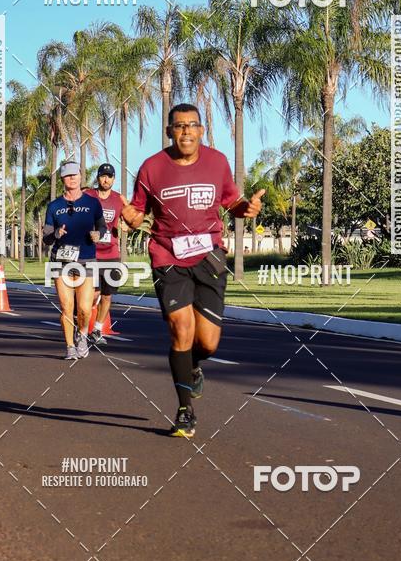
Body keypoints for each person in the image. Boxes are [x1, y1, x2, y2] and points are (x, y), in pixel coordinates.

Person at [122, 103, 264, 438]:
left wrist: (249, 208)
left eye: (192, 125)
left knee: (209, 343)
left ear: (202, 130)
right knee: (180, 329)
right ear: (169, 131)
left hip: (209, 258)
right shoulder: (152, 168)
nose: (186, 131)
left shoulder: (217, 162)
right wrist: (131, 217)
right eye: (179, 126)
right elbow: (138, 211)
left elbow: (232, 204)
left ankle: (194, 365)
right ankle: (185, 410)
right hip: (167, 256)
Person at [43, 161, 107, 360]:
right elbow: (46, 237)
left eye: (75, 175)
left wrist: (98, 234)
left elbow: (102, 227)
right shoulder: (54, 206)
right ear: (63, 179)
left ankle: (82, 335)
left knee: (85, 309)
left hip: (86, 260)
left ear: (80, 177)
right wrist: (57, 234)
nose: (72, 178)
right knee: (66, 307)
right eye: (68, 176)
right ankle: (70, 347)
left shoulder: (92, 203)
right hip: (61, 262)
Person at [85, 163, 126, 346]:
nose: (106, 179)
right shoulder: (89, 196)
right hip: (91, 253)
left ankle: (97, 330)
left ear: (113, 179)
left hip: (111, 254)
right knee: (93, 295)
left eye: (109, 176)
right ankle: (82, 325)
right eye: (103, 176)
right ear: (98, 178)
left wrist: (128, 226)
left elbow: (131, 218)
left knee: (107, 295)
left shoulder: (119, 199)